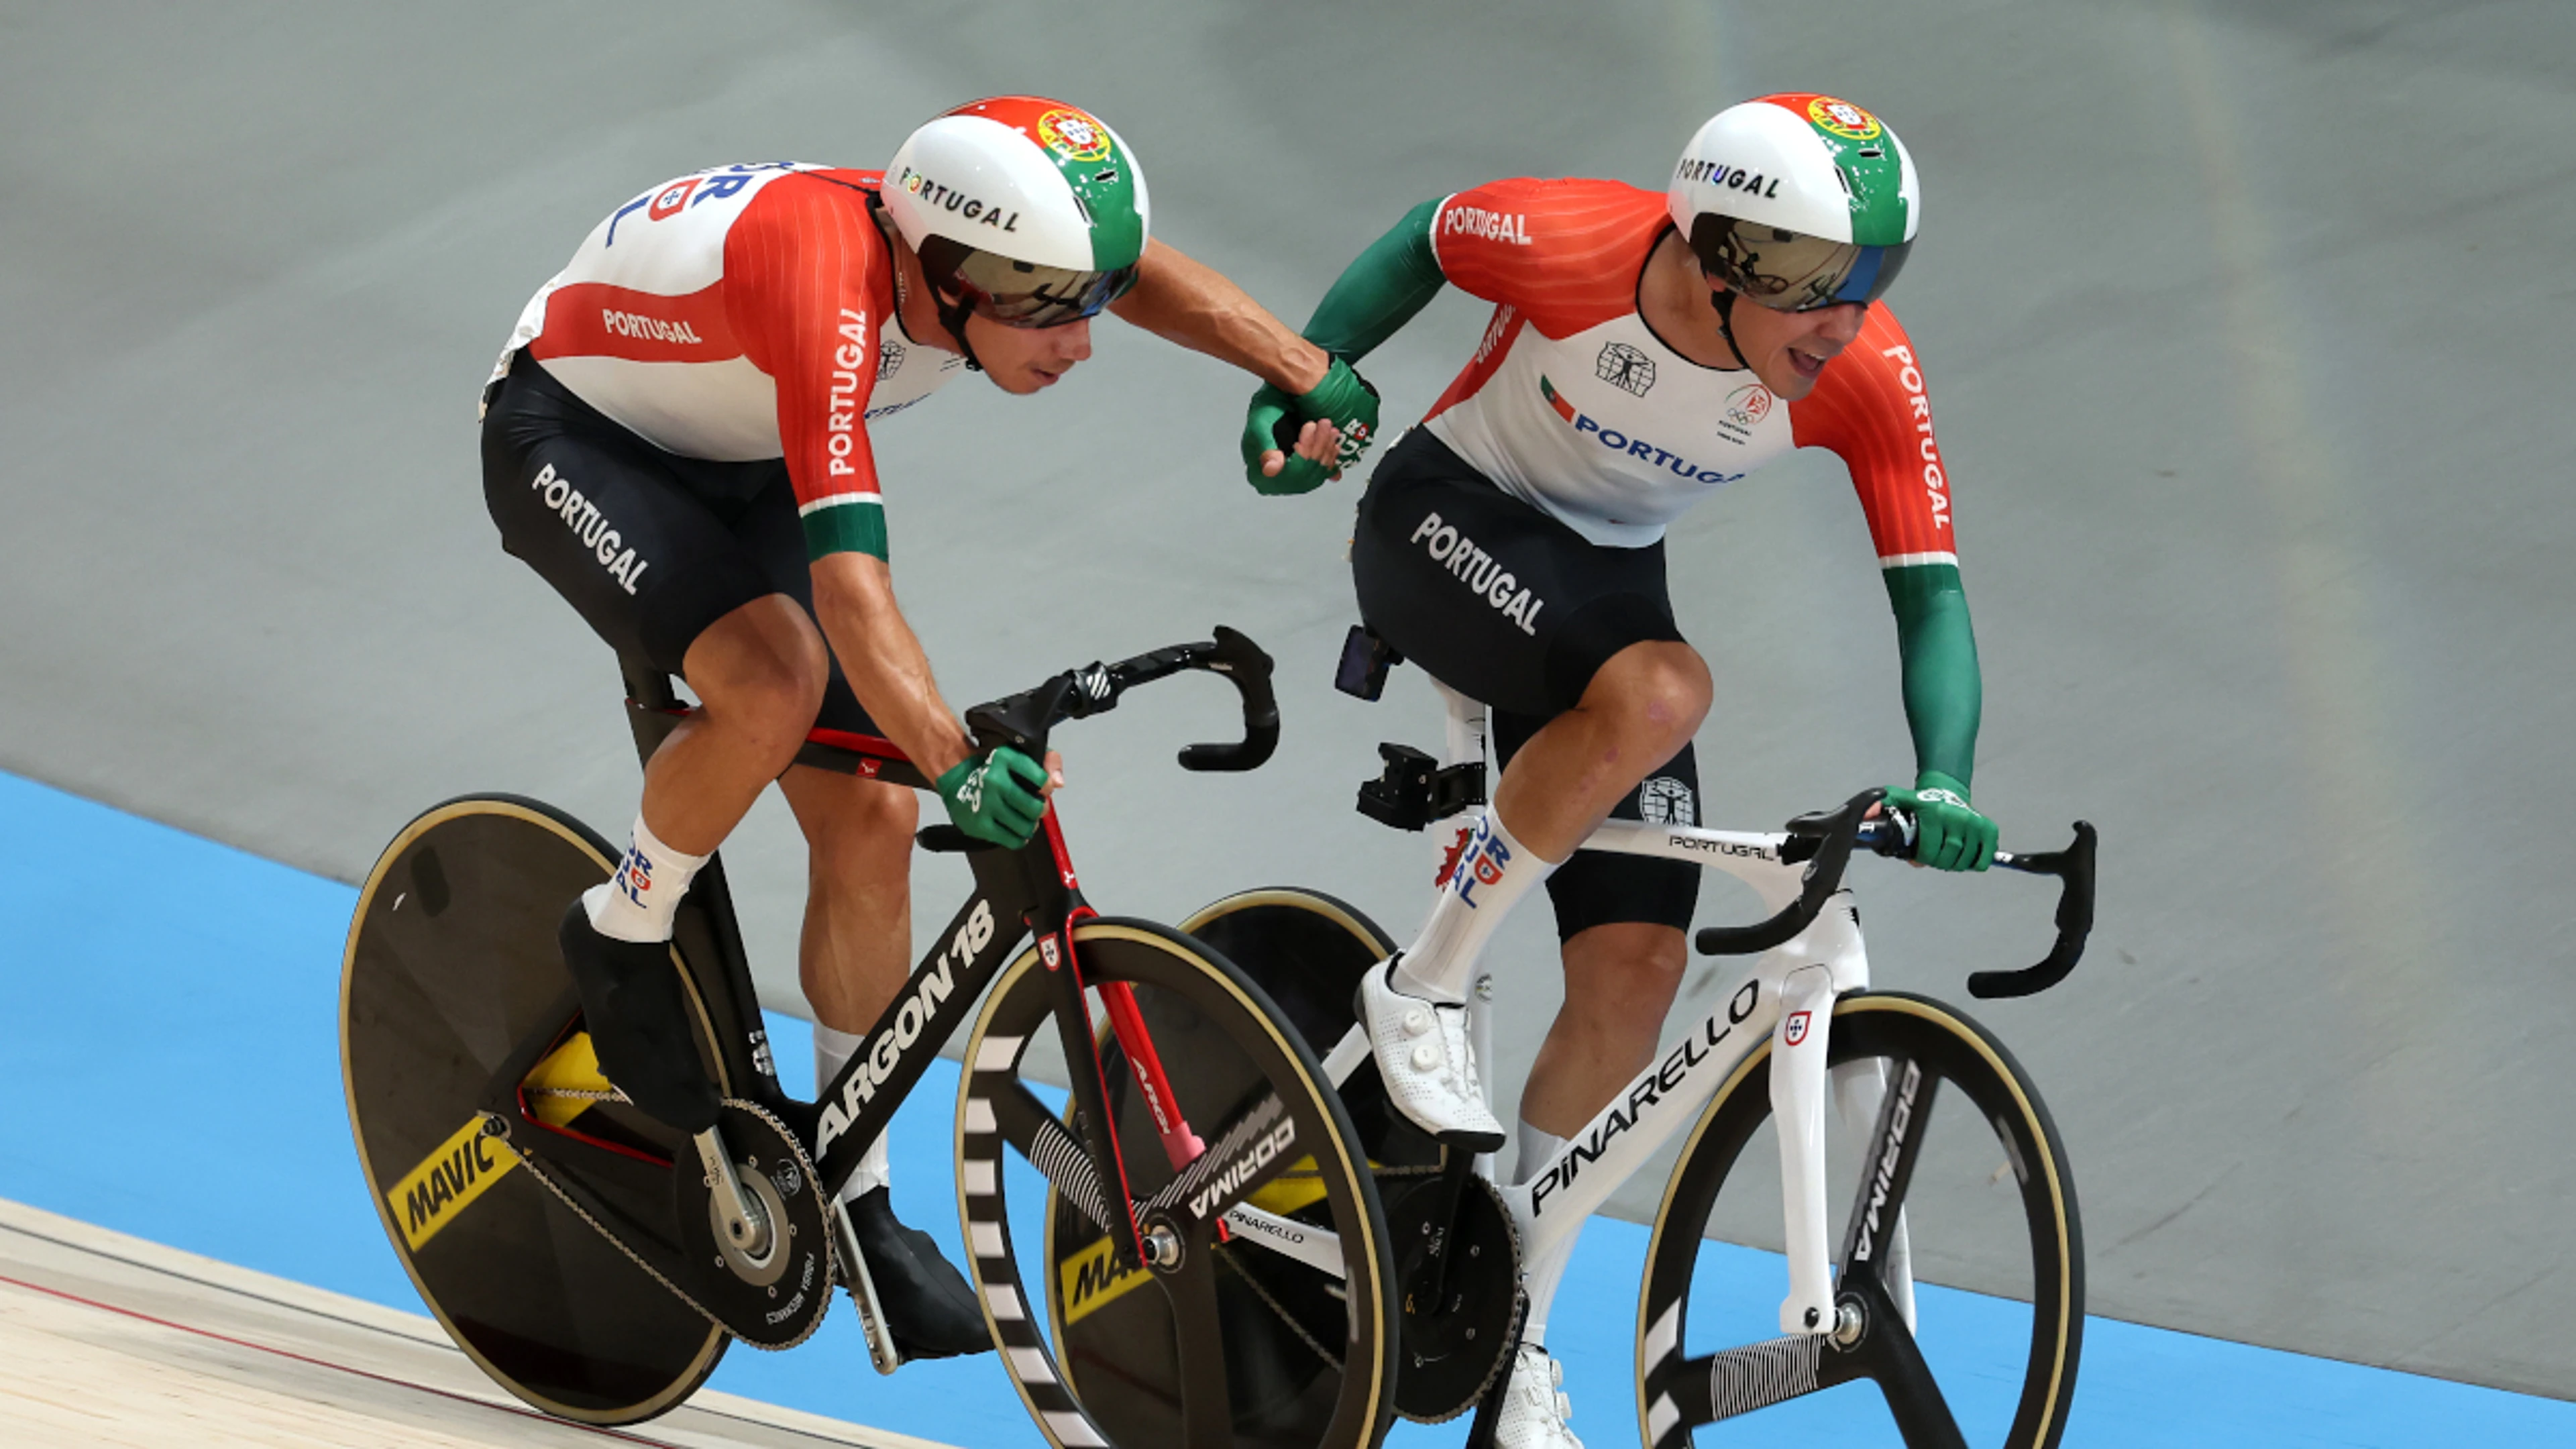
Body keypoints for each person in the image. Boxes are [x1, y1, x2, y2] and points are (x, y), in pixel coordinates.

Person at [480, 95, 1379, 1360]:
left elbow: (1146, 279)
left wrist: (1296, 367)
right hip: (573, 432)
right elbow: (853, 587)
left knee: (872, 815)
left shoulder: (987, 249)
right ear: (943, 275)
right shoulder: (828, 296)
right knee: (778, 681)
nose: (1081, 341)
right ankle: (625, 922)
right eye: (1046, 309)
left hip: (735, 448)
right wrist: (959, 758)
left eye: (1083, 299)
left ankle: (859, 1205)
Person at [1241, 93, 1992, 1444]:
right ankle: (1420, 984)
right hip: (1439, 525)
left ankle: (1509, 1329)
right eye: (1828, 282)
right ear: (1721, 258)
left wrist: (1944, 779)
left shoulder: (1866, 373)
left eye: (1881, 275)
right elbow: (1428, 236)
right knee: (1665, 688)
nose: (1853, 317)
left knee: (1638, 976)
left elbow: (1931, 595)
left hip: (1594, 596)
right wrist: (1306, 380)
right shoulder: (1579, 245)